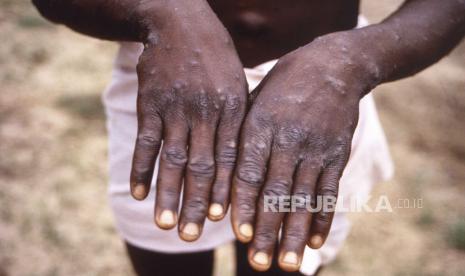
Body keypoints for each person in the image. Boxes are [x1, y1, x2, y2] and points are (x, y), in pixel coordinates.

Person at [32, 0, 465, 275]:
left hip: (318, 100)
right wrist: (161, 10)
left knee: (282, 262)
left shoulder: (338, 74)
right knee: (164, 258)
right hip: (170, 84)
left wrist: (352, 61)